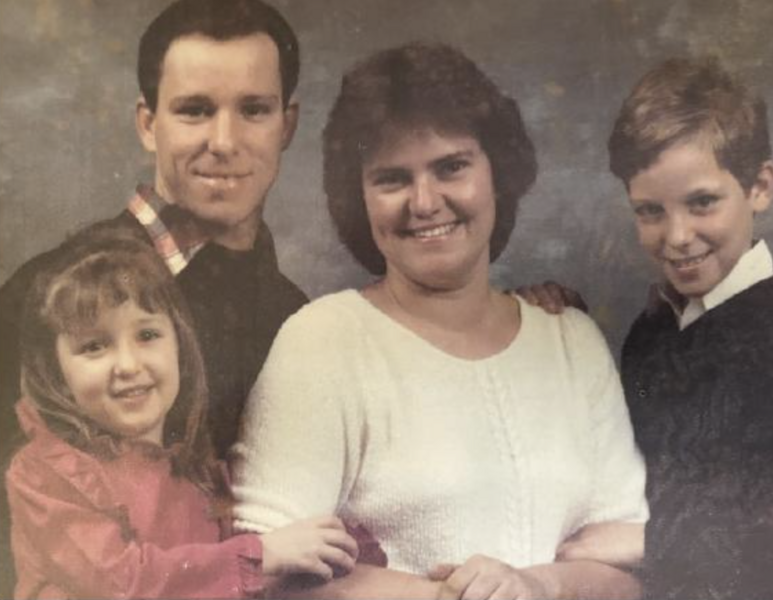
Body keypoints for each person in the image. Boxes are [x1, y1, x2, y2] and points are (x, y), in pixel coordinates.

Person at [232, 42, 649, 600]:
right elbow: (262, 571)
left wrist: (533, 585)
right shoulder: (321, 342)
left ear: (497, 173)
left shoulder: (571, 341)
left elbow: (626, 574)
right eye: (392, 178)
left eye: (451, 167)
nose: (425, 202)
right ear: (358, 198)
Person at [0, 0, 306, 592]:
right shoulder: (49, 292)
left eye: (253, 110)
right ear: (148, 122)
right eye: (194, 110)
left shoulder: (295, 314)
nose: (224, 140)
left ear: (286, 125)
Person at [546, 57, 773, 600]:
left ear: (759, 187)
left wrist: (649, 541)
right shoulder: (652, 333)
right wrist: (556, 321)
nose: (678, 236)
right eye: (650, 211)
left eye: (702, 202)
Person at [6, 228, 359, 599]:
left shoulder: (192, 466)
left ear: (179, 345)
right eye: (94, 346)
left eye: (147, 336)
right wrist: (263, 555)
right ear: (57, 373)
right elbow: (123, 583)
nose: (127, 365)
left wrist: (334, 543)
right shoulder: (47, 474)